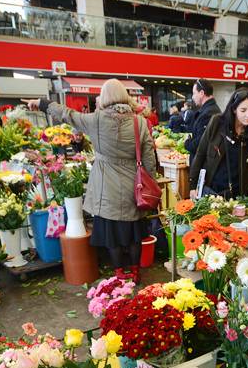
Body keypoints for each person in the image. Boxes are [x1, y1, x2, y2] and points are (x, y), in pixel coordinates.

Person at [25, 79, 156, 282]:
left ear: (105, 97)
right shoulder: (139, 122)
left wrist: (42, 103)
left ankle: (120, 273)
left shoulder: (96, 119)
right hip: (133, 186)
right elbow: (148, 157)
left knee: (112, 234)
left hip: (107, 187)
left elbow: (67, 115)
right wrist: (150, 182)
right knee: (133, 233)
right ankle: (136, 271)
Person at [189, 88, 248, 199]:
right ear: (234, 109)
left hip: (237, 195)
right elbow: (200, 154)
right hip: (211, 191)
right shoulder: (217, 123)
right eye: (243, 110)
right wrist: (193, 186)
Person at [184, 79, 220, 164]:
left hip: (204, 165)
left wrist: (187, 143)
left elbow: (201, 143)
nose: (192, 97)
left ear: (202, 93)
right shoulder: (210, 109)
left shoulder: (208, 113)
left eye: (194, 93)